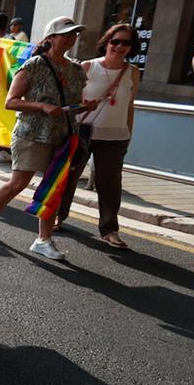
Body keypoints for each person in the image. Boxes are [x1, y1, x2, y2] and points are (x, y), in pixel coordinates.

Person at [0, 17, 95, 261]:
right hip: (31, 133)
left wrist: (85, 107)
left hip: (63, 136)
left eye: (74, 34)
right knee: (18, 183)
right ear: (51, 37)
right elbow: (11, 101)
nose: (71, 38)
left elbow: (71, 104)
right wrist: (41, 106)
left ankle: (43, 239)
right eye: (66, 34)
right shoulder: (34, 65)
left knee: (54, 188)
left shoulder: (75, 70)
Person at [60, 23, 142, 249]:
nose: (120, 46)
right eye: (115, 41)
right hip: (83, 131)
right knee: (69, 178)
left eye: (126, 43)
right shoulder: (87, 67)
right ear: (106, 42)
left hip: (116, 136)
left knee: (110, 185)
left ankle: (109, 230)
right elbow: (71, 103)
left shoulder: (133, 72)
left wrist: (129, 134)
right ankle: (57, 217)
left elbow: (130, 105)